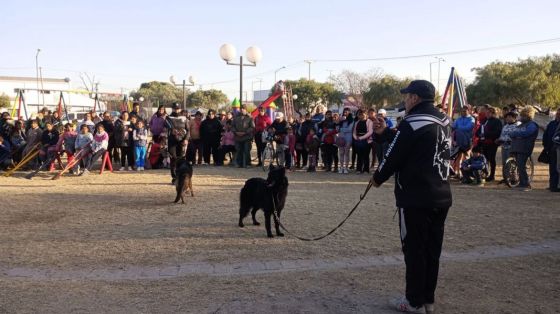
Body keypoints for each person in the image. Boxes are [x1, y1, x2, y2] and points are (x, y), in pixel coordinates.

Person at [372, 80, 452, 313]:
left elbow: (394, 155)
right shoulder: (444, 120)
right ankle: (428, 299)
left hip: (416, 197)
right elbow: (416, 144)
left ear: (415, 98)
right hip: (441, 194)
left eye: (407, 96)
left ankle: (413, 301)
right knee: (431, 249)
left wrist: (377, 178)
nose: (405, 100)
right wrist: (385, 133)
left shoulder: (412, 122)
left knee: (414, 249)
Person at [509, 106, 539, 191]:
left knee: (521, 165)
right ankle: (522, 183)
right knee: (519, 165)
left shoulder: (532, 125)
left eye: (523, 116)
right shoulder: (521, 125)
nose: (521, 117)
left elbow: (526, 133)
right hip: (517, 147)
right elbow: (512, 133)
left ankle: (526, 184)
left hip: (525, 147)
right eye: (521, 116)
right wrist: (516, 133)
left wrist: (516, 133)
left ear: (528, 116)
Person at [476, 106, 502, 181]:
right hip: (483, 143)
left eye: (489, 112)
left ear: (494, 113)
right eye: (486, 112)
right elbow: (479, 129)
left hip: (492, 143)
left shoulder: (497, 121)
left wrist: (486, 134)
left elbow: (497, 132)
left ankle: (492, 175)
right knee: (484, 159)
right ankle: (485, 173)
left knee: (491, 159)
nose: (487, 114)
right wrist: (478, 134)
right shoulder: (484, 120)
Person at [165, 103, 189, 184]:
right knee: (174, 159)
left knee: (181, 159)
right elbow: (168, 127)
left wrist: (186, 139)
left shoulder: (184, 118)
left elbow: (188, 130)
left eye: (178, 108)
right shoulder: (168, 118)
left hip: (181, 142)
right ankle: (175, 177)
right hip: (172, 142)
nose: (176, 110)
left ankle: (181, 177)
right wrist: (173, 131)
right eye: (175, 108)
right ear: (172, 109)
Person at [496, 111, 520, 183]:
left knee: (512, 163)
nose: (508, 118)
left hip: (513, 146)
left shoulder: (518, 125)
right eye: (507, 117)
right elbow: (502, 135)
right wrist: (499, 140)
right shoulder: (505, 126)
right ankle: (506, 178)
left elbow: (517, 136)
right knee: (505, 163)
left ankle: (514, 179)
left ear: (514, 118)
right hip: (504, 146)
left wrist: (510, 140)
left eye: (510, 117)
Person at [452, 106, 475, 178]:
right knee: (458, 158)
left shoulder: (471, 119)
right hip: (459, 141)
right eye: (462, 111)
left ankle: (467, 174)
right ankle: (458, 173)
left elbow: (468, 128)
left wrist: (458, 128)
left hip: (467, 142)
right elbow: (453, 127)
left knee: (467, 158)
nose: (463, 112)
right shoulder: (458, 119)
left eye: (465, 111)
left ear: (468, 111)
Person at [542, 108, 560, 192]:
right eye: (558, 113)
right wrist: (546, 146)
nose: (558, 115)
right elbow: (546, 135)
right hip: (552, 149)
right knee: (552, 168)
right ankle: (552, 185)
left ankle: (557, 186)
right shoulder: (552, 124)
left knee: (558, 168)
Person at [353, 110, 374, 174]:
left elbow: (370, 132)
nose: (361, 115)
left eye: (363, 114)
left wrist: (361, 138)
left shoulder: (369, 122)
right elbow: (354, 132)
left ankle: (366, 170)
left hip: (367, 141)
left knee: (366, 155)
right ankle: (359, 169)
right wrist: (355, 137)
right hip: (358, 141)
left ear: (366, 114)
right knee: (359, 155)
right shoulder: (357, 122)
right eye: (360, 114)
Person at [337, 108, 354, 174]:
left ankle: (346, 168)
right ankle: (341, 167)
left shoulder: (351, 120)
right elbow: (337, 129)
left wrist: (341, 129)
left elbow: (349, 129)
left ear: (349, 112)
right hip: (341, 138)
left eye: (346, 112)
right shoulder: (341, 120)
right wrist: (339, 121)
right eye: (344, 112)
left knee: (346, 153)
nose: (345, 113)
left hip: (348, 139)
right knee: (341, 153)